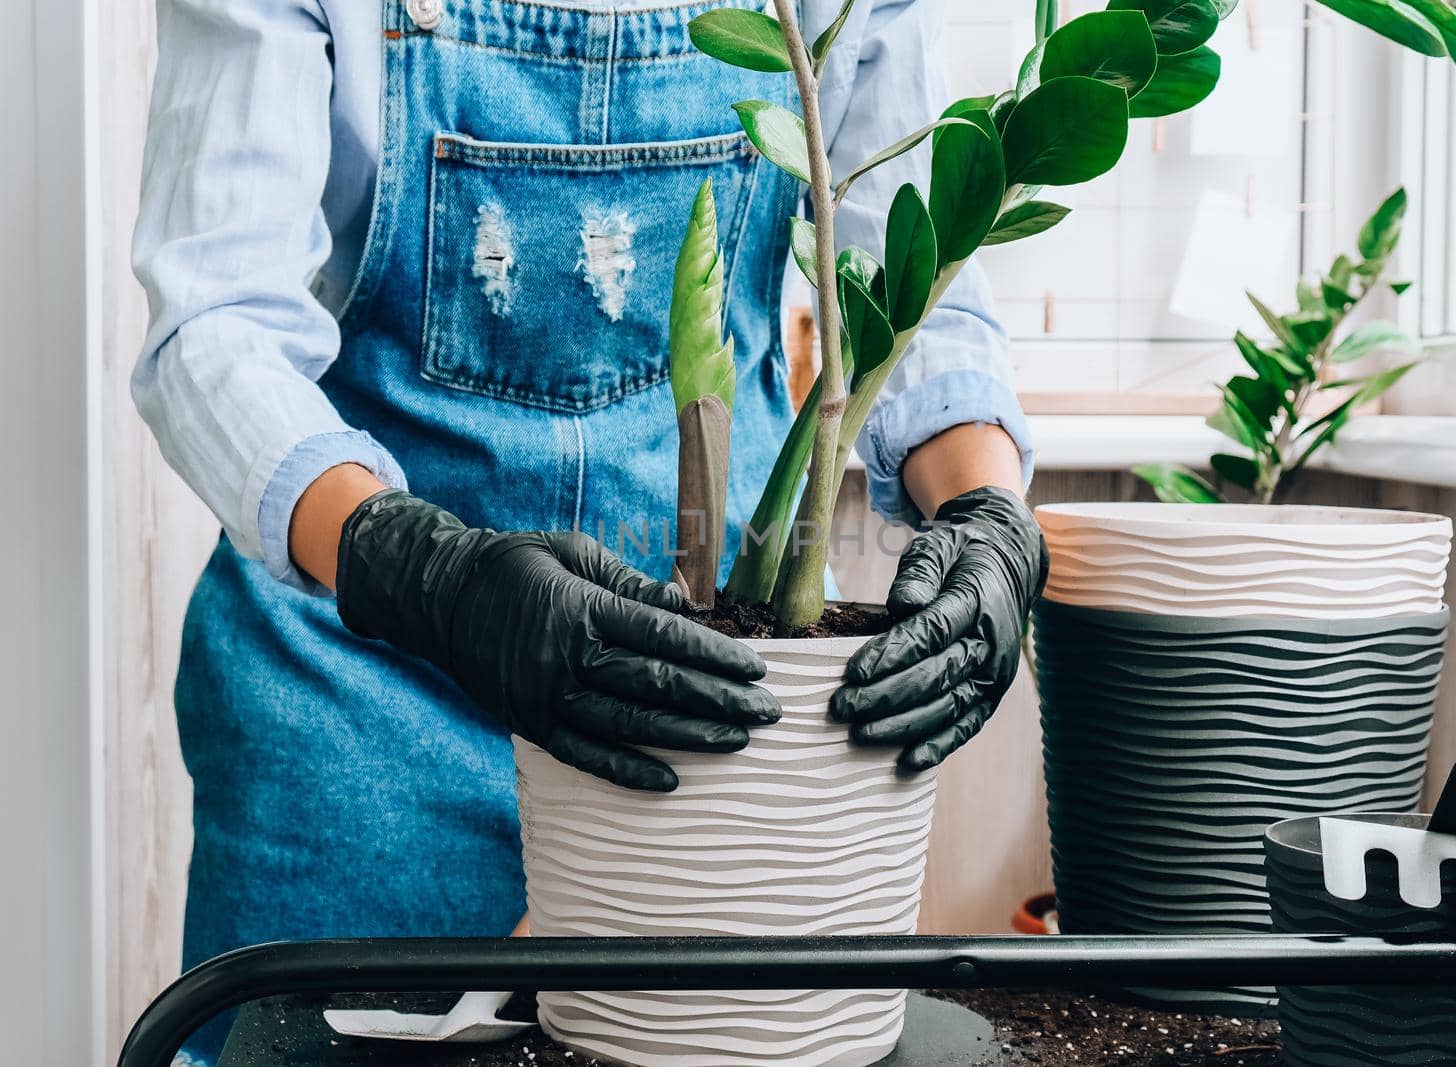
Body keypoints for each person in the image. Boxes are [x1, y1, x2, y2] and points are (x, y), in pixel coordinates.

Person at [133, 0, 1043, 1060]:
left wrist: (985, 514)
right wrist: (424, 571)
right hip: (365, 701)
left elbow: (918, 270)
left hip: (703, 709)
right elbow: (216, 323)